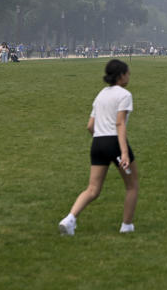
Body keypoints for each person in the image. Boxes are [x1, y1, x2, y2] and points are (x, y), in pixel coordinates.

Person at [59, 59, 139, 235]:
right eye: (128, 73)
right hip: (114, 142)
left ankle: (70, 219)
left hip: (97, 142)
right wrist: (124, 153)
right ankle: (127, 226)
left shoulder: (101, 94)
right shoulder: (124, 95)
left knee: (93, 189)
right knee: (132, 185)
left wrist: (102, 140)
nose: (129, 76)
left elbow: (90, 125)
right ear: (121, 75)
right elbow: (120, 124)